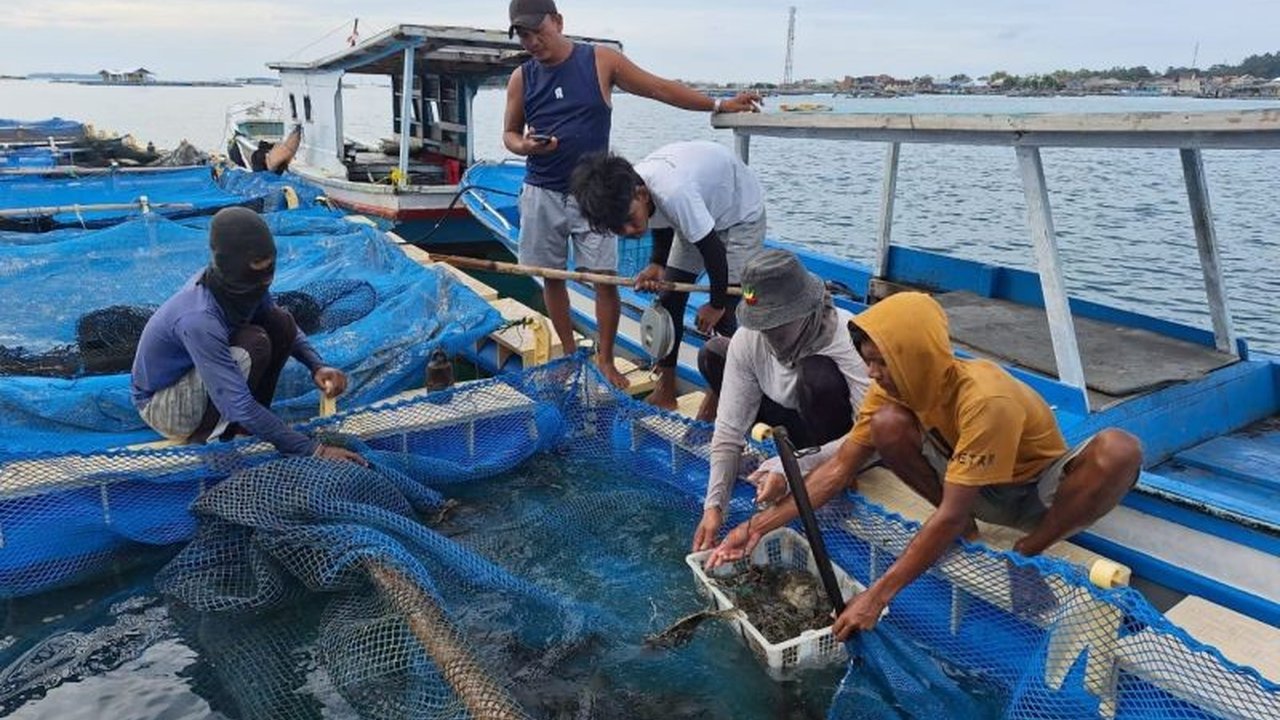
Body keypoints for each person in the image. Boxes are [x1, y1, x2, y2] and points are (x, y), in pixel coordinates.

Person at [707, 292, 1142, 639]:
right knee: (887, 424)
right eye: (868, 360)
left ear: (916, 354)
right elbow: (840, 469)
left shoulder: (987, 400)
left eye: (883, 361)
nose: (873, 373)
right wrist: (760, 526)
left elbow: (949, 514)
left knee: (1120, 450)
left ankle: (1028, 549)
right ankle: (972, 532)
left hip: (1033, 494)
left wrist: (876, 596)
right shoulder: (891, 389)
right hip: (968, 488)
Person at [503, 0, 761, 388]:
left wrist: (719, 104)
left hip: (598, 195)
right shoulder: (522, 78)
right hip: (542, 189)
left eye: (538, 30)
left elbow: (659, 88)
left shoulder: (600, 61)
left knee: (605, 278)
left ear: (557, 21)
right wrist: (525, 147)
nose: (533, 41)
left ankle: (606, 360)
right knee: (550, 275)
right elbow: (509, 135)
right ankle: (571, 355)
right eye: (523, 35)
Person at [131, 207, 365, 464]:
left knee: (280, 322)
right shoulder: (198, 317)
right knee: (253, 345)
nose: (265, 278)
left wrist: (316, 365)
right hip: (162, 406)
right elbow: (237, 402)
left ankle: (247, 424)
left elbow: (283, 325)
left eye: (269, 268)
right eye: (256, 267)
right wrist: (314, 450)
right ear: (230, 264)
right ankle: (212, 443)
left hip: (210, 389)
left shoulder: (248, 285)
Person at [689, 249, 871, 551]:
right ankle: (780, 462)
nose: (769, 333)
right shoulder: (750, 339)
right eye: (761, 323)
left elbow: (869, 435)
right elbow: (728, 430)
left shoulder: (847, 337)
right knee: (715, 353)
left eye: (777, 322)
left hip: (838, 434)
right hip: (787, 423)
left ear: (804, 309)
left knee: (818, 375)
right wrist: (714, 507)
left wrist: (793, 468)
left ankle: (832, 484)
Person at [570, 141, 767, 409]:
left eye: (629, 219)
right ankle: (666, 389)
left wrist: (716, 304)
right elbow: (662, 219)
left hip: (739, 214)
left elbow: (714, 252)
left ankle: (717, 403)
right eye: (618, 228)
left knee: (727, 316)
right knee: (669, 300)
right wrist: (657, 263)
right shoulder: (638, 192)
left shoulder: (673, 192)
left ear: (641, 194)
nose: (629, 230)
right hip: (701, 210)